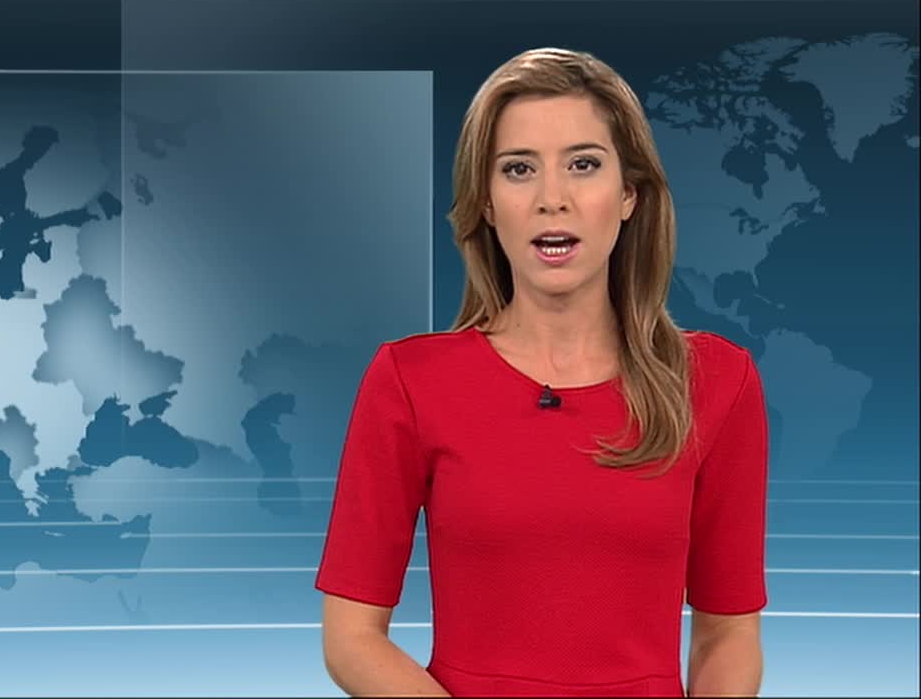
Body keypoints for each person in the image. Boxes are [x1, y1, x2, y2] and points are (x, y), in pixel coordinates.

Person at [315, 47, 769, 698]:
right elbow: (352, 638)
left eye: (583, 164)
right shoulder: (408, 382)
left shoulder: (719, 381)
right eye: (519, 169)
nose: (552, 199)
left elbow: (727, 635)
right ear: (487, 203)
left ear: (628, 195)